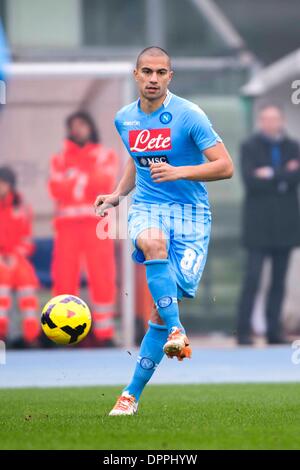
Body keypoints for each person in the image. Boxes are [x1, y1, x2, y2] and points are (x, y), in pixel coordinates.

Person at [95, 46, 233, 415]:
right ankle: (177, 331)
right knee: (151, 241)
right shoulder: (125, 118)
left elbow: (225, 166)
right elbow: (135, 159)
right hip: (149, 208)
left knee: (159, 313)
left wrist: (179, 171)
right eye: (146, 72)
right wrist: (117, 194)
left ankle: (132, 393)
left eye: (160, 72)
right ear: (135, 75)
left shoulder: (190, 116)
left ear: (170, 76)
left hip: (191, 215)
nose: (153, 79)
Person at [49, 111, 119, 346]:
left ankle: (104, 334)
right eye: (73, 126)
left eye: (82, 124)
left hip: (96, 225)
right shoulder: (59, 158)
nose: (77, 129)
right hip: (67, 226)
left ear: (90, 126)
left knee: (102, 276)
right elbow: (57, 189)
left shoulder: (104, 155)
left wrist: (76, 177)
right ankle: (65, 333)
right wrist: (84, 178)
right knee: (64, 277)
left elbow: (104, 184)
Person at [237, 105, 300, 345]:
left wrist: (270, 174)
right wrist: (282, 174)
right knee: (252, 277)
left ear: (281, 121)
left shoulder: (293, 147)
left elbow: (295, 178)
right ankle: (243, 331)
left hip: (285, 226)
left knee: (279, 280)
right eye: (265, 119)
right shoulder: (249, 147)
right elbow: (251, 181)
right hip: (257, 226)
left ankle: (274, 331)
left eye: (274, 119)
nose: (269, 123)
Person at [0, 166, 40, 345]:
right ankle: (1, 333)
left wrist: (15, 257)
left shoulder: (22, 208)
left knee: (27, 282)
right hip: (1, 260)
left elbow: (27, 241)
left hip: (18, 259)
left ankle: (31, 336)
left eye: (4, 183)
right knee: (3, 281)